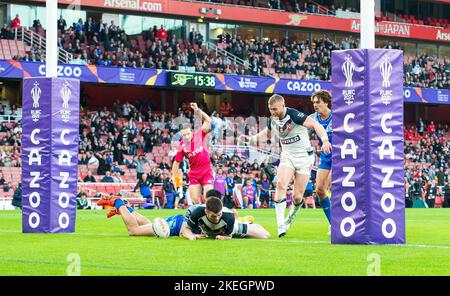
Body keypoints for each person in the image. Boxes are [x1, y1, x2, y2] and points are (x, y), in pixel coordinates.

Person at [240, 94, 331, 237]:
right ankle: (280, 225)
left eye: (275, 109)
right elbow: (267, 134)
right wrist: (251, 139)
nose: (273, 112)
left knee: (297, 197)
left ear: (283, 106)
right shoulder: (273, 120)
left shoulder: (294, 115)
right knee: (281, 184)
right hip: (287, 156)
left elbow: (315, 125)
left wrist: (325, 140)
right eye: (270, 109)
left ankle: (290, 217)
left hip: (304, 158)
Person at [171, 103, 213, 204]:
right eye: (184, 134)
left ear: (192, 132)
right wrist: (173, 175)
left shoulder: (199, 134)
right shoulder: (182, 146)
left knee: (209, 198)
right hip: (194, 174)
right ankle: (199, 218)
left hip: (206, 171)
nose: (186, 136)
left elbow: (208, 120)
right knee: (194, 200)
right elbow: (177, 162)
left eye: (188, 134)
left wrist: (198, 110)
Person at [309, 90, 332, 233]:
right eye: (313, 103)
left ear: (326, 102)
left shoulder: (339, 116)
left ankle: (342, 220)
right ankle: (332, 222)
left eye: (318, 102)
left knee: (332, 186)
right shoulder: (313, 118)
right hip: (325, 156)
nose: (315, 105)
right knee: (319, 190)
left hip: (341, 156)